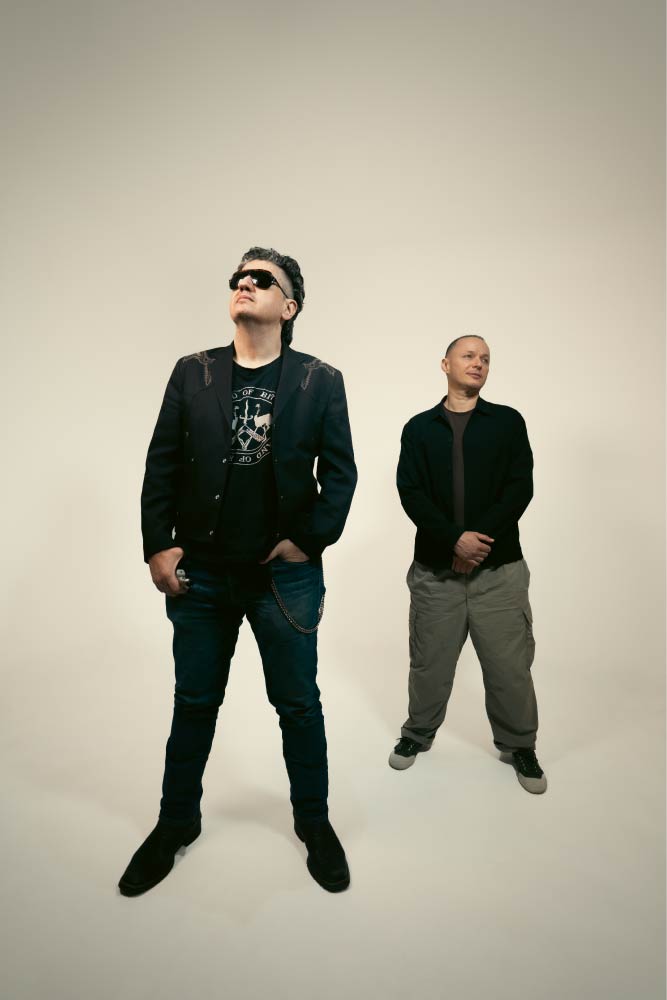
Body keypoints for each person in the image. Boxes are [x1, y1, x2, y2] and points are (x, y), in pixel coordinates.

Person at [119, 247, 357, 896]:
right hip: (202, 576)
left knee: (298, 706)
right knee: (194, 703)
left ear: (289, 306)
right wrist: (157, 545)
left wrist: (307, 540)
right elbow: (161, 464)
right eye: (239, 277)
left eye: (262, 279)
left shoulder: (320, 380)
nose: (245, 283)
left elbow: (340, 474)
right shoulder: (191, 372)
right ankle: (176, 822)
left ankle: (314, 823)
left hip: (284, 580)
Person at [390, 335, 546, 793]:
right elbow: (410, 491)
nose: (478, 363)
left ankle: (520, 745)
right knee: (429, 664)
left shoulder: (508, 422)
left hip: (499, 573)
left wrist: (476, 544)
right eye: (469, 356)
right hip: (435, 574)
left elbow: (519, 487)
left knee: (509, 668)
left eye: (485, 359)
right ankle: (417, 733)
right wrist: (453, 540)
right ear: (445, 364)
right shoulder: (419, 428)